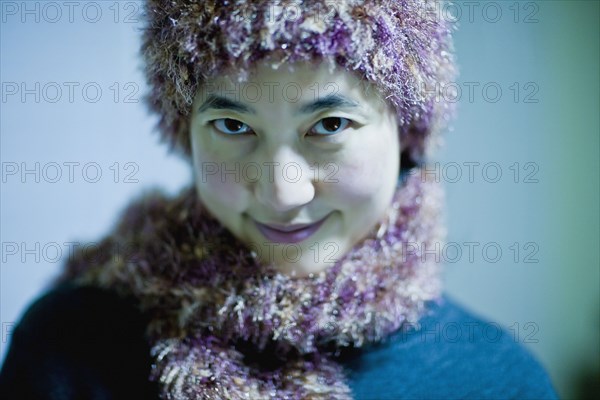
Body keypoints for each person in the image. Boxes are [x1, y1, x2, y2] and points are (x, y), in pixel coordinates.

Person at [0, 0, 559, 398]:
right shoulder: (70, 348)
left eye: (330, 123)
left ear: (408, 130)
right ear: (183, 132)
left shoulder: (500, 380)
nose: (282, 192)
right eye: (232, 125)